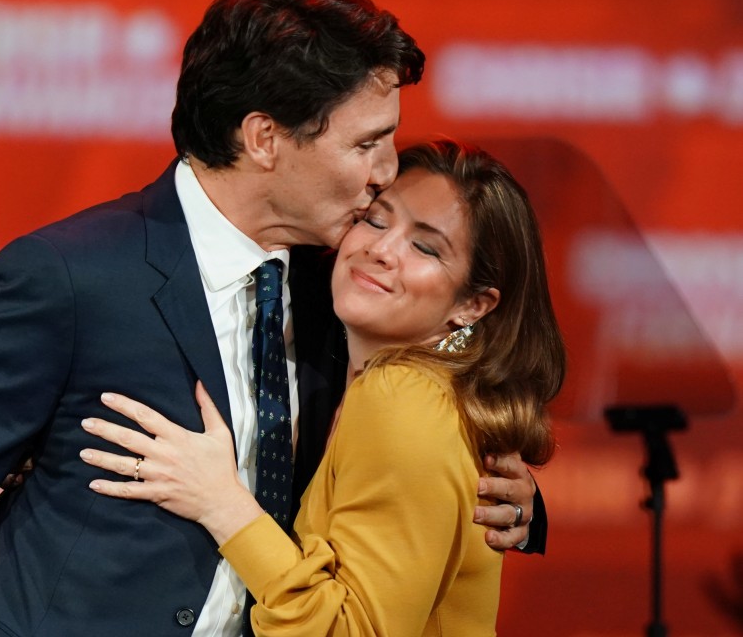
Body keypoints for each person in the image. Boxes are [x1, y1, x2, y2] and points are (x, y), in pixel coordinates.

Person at [0, 0, 542, 636]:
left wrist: (514, 507)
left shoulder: (340, 288)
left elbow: (417, 440)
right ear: (265, 139)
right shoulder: (70, 277)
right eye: (367, 144)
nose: (386, 174)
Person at [80, 139, 565, 635]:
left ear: (474, 305)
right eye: (375, 220)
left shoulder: (401, 398)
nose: (380, 249)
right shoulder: (333, 323)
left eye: (425, 247)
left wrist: (222, 504)